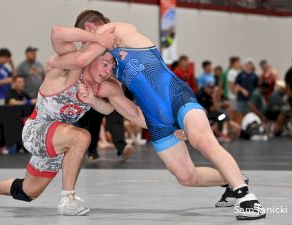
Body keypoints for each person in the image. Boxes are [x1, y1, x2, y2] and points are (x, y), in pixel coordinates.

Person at [52, 10, 266, 220]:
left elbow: (76, 57)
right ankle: (234, 179)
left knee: (202, 141)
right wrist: (92, 100)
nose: (85, 48)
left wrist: (62, 61)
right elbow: (127, 111)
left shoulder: (120, 30)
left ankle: (247, 198)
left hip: (176, 97)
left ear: (89, 27)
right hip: (156, 119)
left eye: (84, 40)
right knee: (187, 177)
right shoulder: (111, 69)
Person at [0, 26, 177, 216]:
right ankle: (67, 199)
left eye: (111, 67)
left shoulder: (104, 86)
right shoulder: (69, 69)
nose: (107, 71)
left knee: (28, 192)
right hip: (36, 131)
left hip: (58, 140)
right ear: (91, 58)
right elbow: (57, 33)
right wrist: (98, 38)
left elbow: (135, 115)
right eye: (104, 63)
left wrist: (170, 127)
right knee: (81, 136)